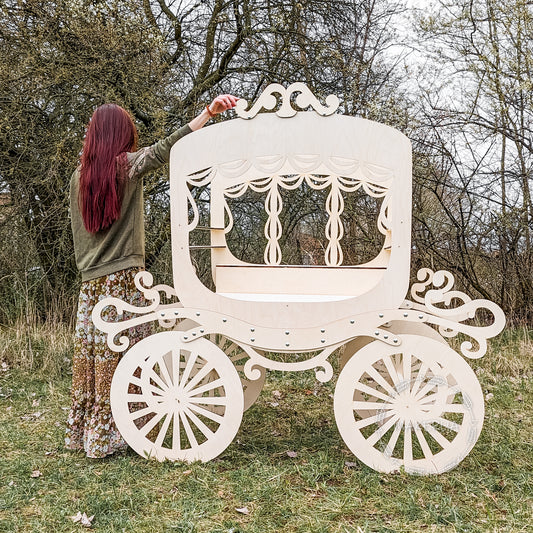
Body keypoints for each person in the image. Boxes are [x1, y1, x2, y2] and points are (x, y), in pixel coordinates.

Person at [65, 95, 238, 458]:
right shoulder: (125, 167)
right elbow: (167, 148)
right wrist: (208, 113)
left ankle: (90, 433)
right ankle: (123, 430)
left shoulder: (78, 178)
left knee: (95, 359)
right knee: (129, 355)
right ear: (119, 136)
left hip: (91, 284)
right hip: (125, 280)